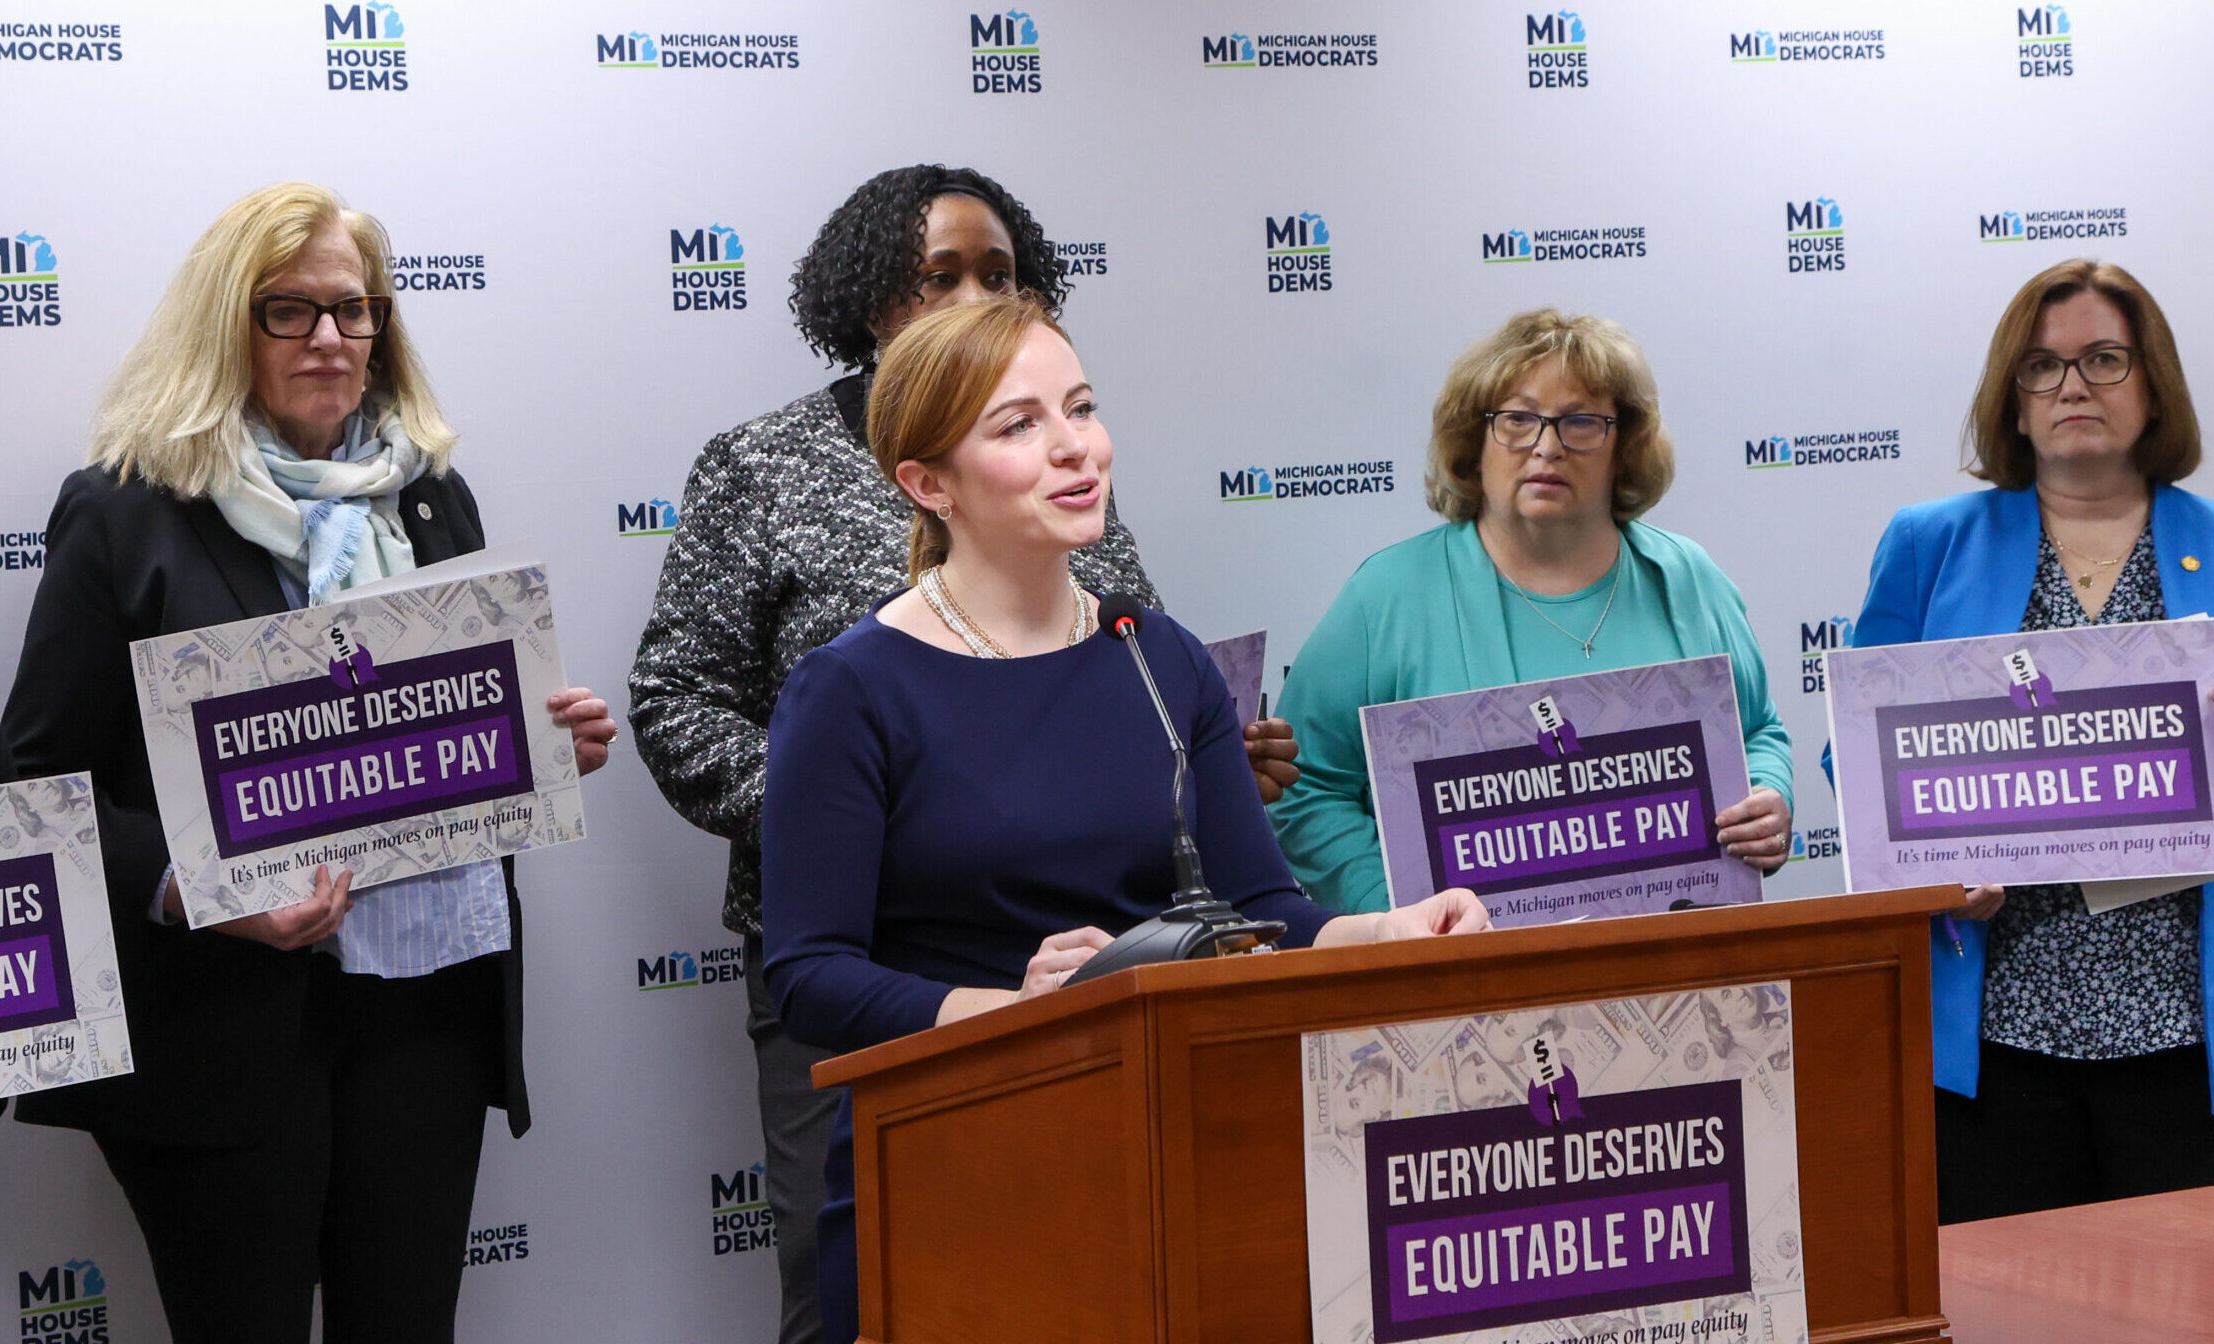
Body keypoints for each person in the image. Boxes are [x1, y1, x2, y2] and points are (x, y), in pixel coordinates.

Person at [630, 163, 1313, 1344]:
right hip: (904, 1021)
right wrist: (843, 803)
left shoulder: (1130, 606)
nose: (1070, 447)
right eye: (939, 276)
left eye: (999, 276)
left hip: (1122, 1047)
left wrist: (1368, 918)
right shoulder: (786, 527)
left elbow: (1136, 692)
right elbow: (683, 705)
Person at [759, 296, 1491, 1342]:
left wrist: (1387, 929)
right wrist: (1009, 1007)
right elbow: (808, 975)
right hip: (952, 1169)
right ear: (926, 483)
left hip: (1159, 1155)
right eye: (1017, 426)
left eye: (1082, 408)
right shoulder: (851, 689)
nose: (1075, 449)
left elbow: (1261, 906)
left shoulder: (1161, 656)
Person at [1, 183, 616, 1342]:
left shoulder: (432, 499)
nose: (329, 338)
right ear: (225, 325)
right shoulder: (127, 512)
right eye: (288, 310)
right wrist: (197, 894)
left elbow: (451, 742)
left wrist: (538, 750)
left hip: (424, 1006)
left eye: (352, 309)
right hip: (221, 1025)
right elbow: (41, 789)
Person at [1849, 259, 2214, 1222]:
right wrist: (1928, 861)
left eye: (2103, 359)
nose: (2073, 387)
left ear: (2152, 384)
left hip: (2182, 1023)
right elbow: (1860, 751)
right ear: (2012, 402)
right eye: (2042, 368)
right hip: (1992, 1020)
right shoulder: (1931, 542)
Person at [1270, 309, 1795, 914]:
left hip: (1681, 971)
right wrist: (1396, 912)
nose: (1548, 446)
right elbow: (1302, 786)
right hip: (1464, 984)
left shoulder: (1688, 578)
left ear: (1624, 446)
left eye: (1580, 422)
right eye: (1517, 419)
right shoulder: (1386, 596)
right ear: (1475, 441)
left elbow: (1758, 731)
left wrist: (1768, 797)